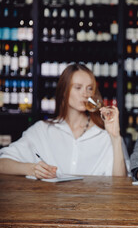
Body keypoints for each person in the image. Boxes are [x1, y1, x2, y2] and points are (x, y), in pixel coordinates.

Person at [0, 64, 130, 178]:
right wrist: (32, 169)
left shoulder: (104, 134)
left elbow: (120, 182)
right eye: (78, 88)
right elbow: (3, 163)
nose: (85, 94)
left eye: (90, 88)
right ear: (63, 91)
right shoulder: (42, 130)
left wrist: (115, 138)